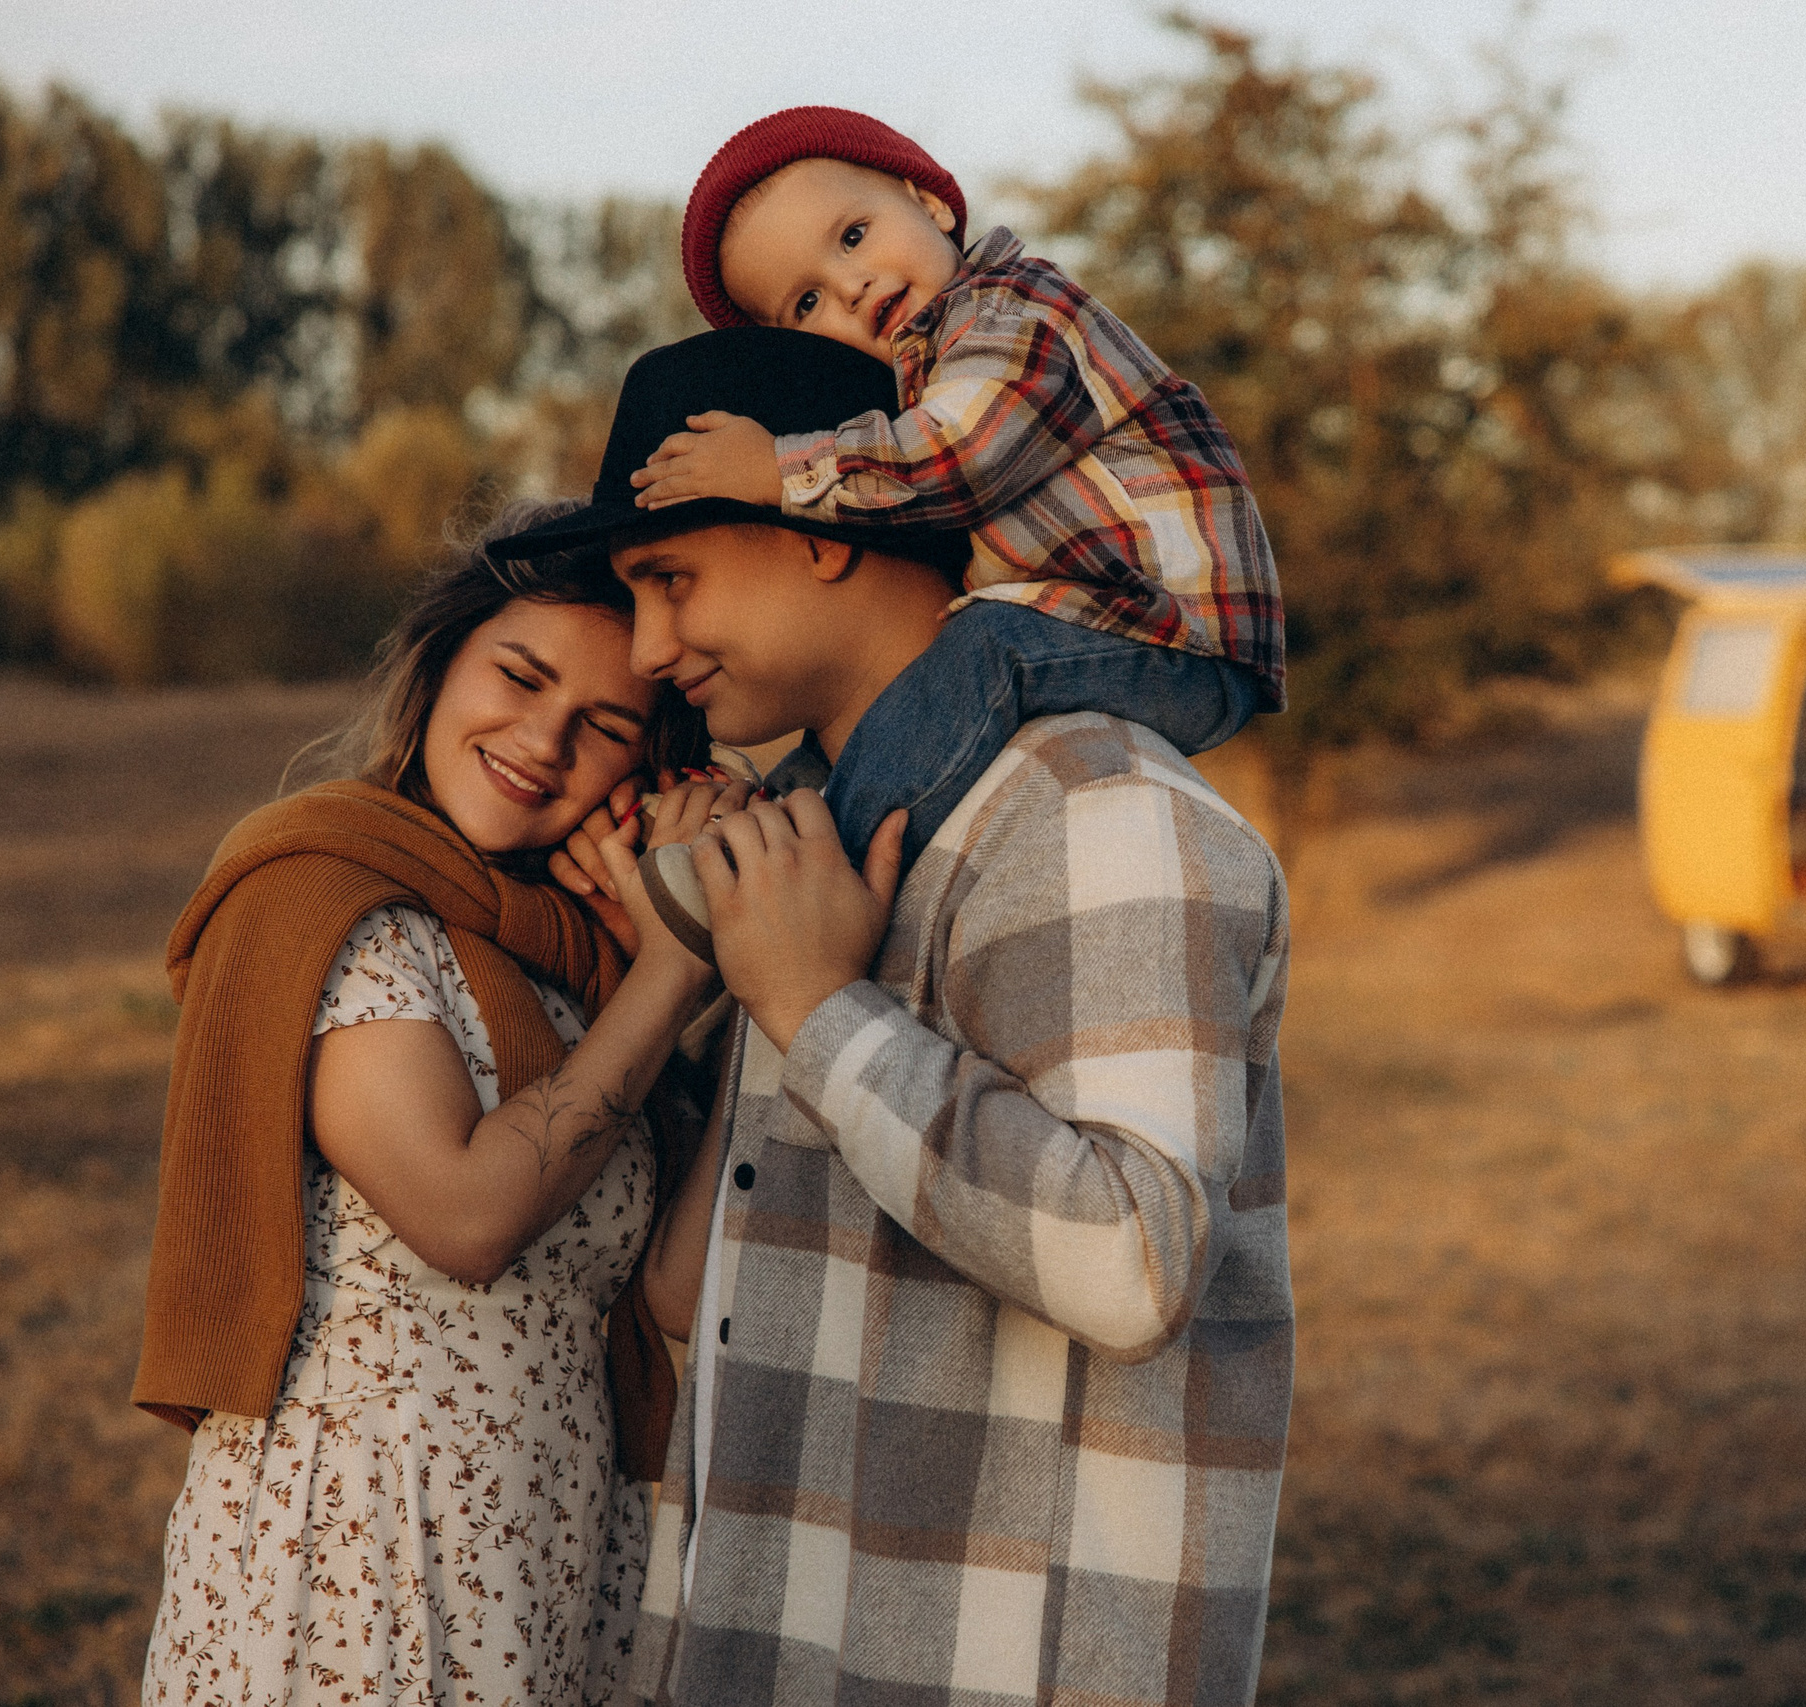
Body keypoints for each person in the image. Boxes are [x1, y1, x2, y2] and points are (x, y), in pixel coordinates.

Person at [491, 328, 1294, 1706]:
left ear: (823, 525)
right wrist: (701, 964)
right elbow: (711, 1295)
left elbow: (1135, 1258)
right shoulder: (809, 833)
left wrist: (815, 1005)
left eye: (668, 578)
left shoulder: (1097, 803)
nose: (647, 646)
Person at [135, 500, 744, 1706]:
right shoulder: (331, 903)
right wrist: (674, 967)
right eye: (517, 677)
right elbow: (468, 1212)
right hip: (362, 1548)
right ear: (441, 661)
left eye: (605, 725)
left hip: (552, 1546)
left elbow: (674, 1288)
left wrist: (732, 982)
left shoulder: (579, 968)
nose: (541, 740)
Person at [606, 105, 1284, 868]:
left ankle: (834, 871)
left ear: (927, 202)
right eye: (806, 304)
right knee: (904, 705)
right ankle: (766, 834)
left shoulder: (1014, 310)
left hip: (1178, 635)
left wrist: (779, 468)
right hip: (1104, 622)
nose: (851, 285)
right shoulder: (925, 376)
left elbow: (967, 452)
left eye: (853, 236)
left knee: (982, 647)